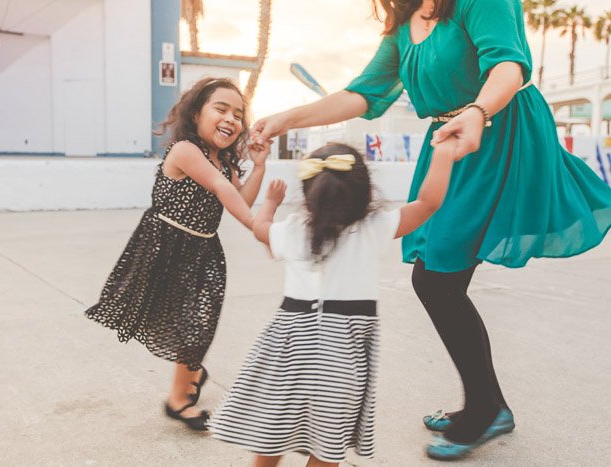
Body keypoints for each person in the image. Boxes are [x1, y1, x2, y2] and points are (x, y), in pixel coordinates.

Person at [251, 0, 611, 459]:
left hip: (494, 132)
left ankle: (486, 408)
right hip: (447, 143)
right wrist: (286, 118)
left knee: (436, 278)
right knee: (439, 279)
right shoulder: (403, 23)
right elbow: (363, 93)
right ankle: (487, 404)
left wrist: (478, 112)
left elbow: (508, 65)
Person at [208, 140, 465, 467]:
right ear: (365, 189)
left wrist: (271, 203)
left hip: (289, 348)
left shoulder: (294, 230)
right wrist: (443, 154)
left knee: (274, 431)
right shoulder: (374, 227)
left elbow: (261, 231)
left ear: (308, 194)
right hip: (340, 356)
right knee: (326, 443)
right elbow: (429, 203)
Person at [85, 77, 271, 431]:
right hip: (164, 245)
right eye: (221, 109)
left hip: (203, 251)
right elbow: (220, 190)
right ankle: (188, 382)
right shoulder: (186, 150)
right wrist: (257, 228)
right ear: (196, 112)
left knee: (198, 324)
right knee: (172, 322)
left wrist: (258, 167)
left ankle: (179, 397)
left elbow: (239, 201)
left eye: (238, 114)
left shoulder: (226, 166)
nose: (231, 119)